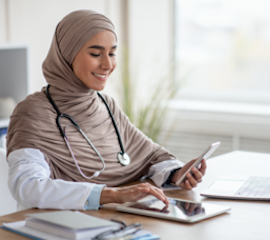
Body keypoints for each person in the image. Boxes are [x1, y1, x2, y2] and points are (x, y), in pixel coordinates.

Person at [6, 10, 206, 211]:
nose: (108, 65)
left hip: (117, 220)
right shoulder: (33, 112)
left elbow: (150, 155)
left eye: (112, 53)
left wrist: (176, 174)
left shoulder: (106, 105)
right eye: (95, 54)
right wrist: (110, 195)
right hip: (63, 226)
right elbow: (28, 187)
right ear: (67, 54)